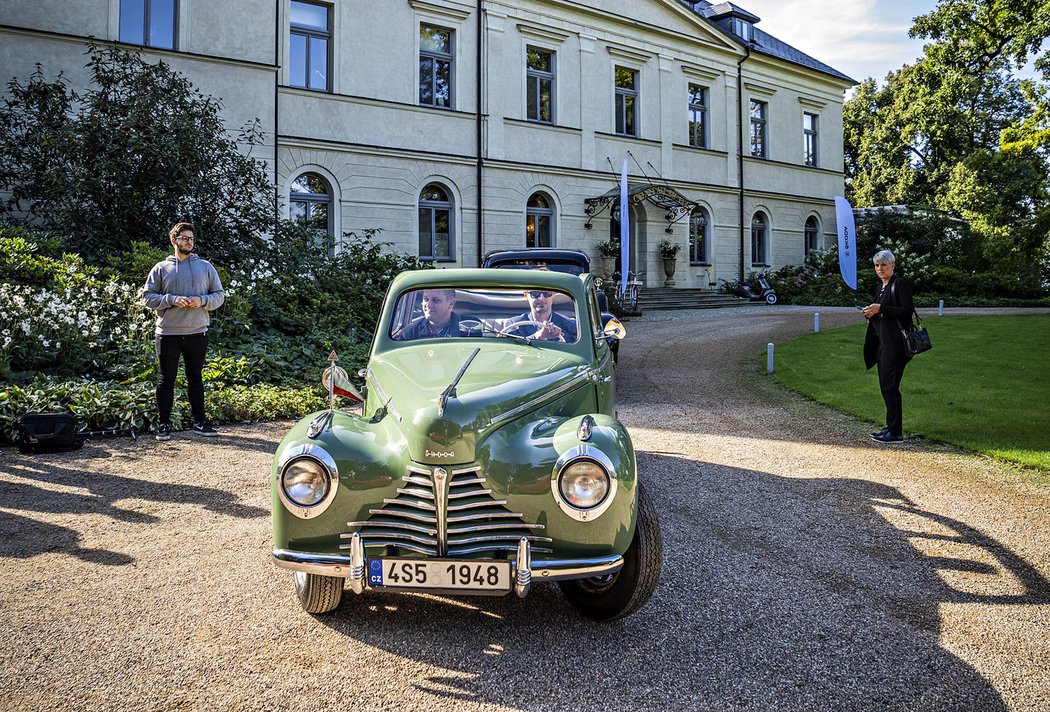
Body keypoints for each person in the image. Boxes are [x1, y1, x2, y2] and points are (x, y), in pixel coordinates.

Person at [141, 222, 225, 441]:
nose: (189, 242)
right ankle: (164, 425)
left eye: (191, 239)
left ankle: (200, 422)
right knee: (166, 379)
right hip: (167, 333)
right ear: (173, 240)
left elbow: (219, 295)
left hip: (197, 332)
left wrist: (202, 301)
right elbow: (147, 297)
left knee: (195, 378)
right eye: (185, 238)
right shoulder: (161, 268)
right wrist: (170, 300)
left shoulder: (205, 267)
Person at [862, 249, 914, 444]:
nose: (879, 268)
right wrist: (870, 313)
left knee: (890, 387)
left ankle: (895, 433)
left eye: (883, 264)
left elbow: (907, 311)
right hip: (883, 344)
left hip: (897, 346)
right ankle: (891, 428)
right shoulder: (880, 288)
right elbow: (881, 315)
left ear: (893, 265)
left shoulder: (899, 284)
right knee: (886, 387)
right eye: (876, 265)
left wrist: (881, 308)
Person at [504, 289, 577, 342]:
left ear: (553, 294)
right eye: (535, 293)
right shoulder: (514, 324)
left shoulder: (570, 325)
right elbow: (510, 351)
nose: (541, 298)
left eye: (546, 293)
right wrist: (538, 336)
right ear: (526, 295)